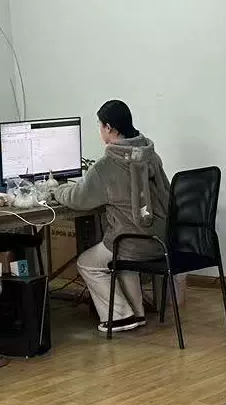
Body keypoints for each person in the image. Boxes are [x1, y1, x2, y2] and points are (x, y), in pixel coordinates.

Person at [54, 100, 171, 334]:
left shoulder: (107, 165)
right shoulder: (151, 156)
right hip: (161, 238)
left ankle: (119, 316)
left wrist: (57, 190)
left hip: (132, 242)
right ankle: (137, 313)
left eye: (100, 126)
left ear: (109, 128)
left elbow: (79, 199)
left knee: (88, 263)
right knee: (120, 256)